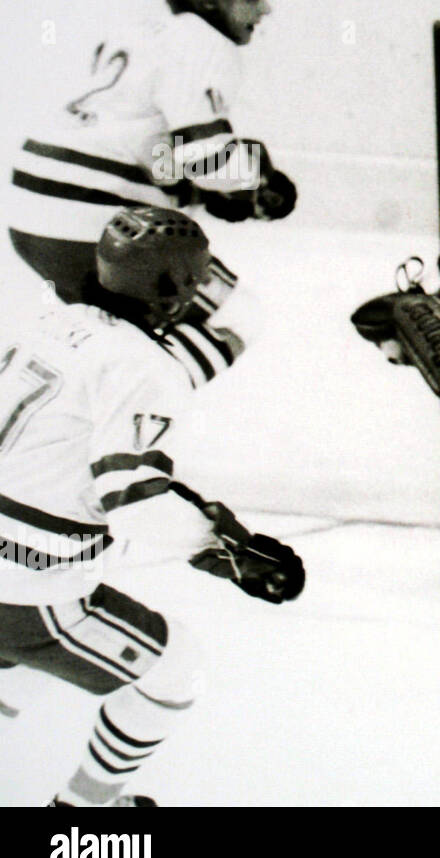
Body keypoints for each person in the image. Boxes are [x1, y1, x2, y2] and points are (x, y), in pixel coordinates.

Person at [0, 207, 304, 806]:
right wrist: (224, 548)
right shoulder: (144, 367)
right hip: (23, 585)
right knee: (173, 669)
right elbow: (134, 501)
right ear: (174, 294)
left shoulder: (38, 322)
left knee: (21, 670)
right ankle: (83, 818)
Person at [8, 0, 297, 384]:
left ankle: (56, 421)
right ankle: (133, 417)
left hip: (31, 212)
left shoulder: (139, 31)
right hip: (95, 219)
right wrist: (259, 181)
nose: (265, 8)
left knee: (105, 341)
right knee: (238, 316)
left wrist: (202, 195)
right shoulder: (205, 42)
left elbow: (146, 152)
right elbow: (208, 160)